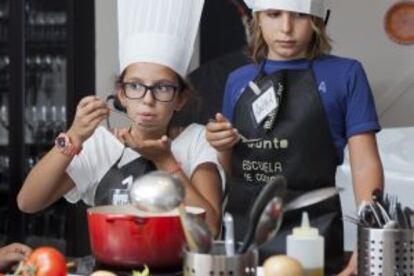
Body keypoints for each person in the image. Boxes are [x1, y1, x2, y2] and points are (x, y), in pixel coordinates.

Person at [17, 0, 224, 237]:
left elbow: (210, 229)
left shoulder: (198, 141)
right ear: (121, 94)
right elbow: (27, 202)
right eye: (135, 86)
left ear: (180, 98)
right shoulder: (102, 145)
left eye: (163, 88)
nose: (148, 99)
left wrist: (166, 161)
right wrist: (73, 136)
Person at [205, 0, 383, 274]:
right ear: (257, 18)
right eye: (274, 15)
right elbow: (231, 172)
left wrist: (369, 240)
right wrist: (220, 146)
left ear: (317, 20)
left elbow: (365, 165)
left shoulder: (346, 75)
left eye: (299, 15)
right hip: (245, 238)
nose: (286, 28)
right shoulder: (238, 80)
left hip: (315, 231)